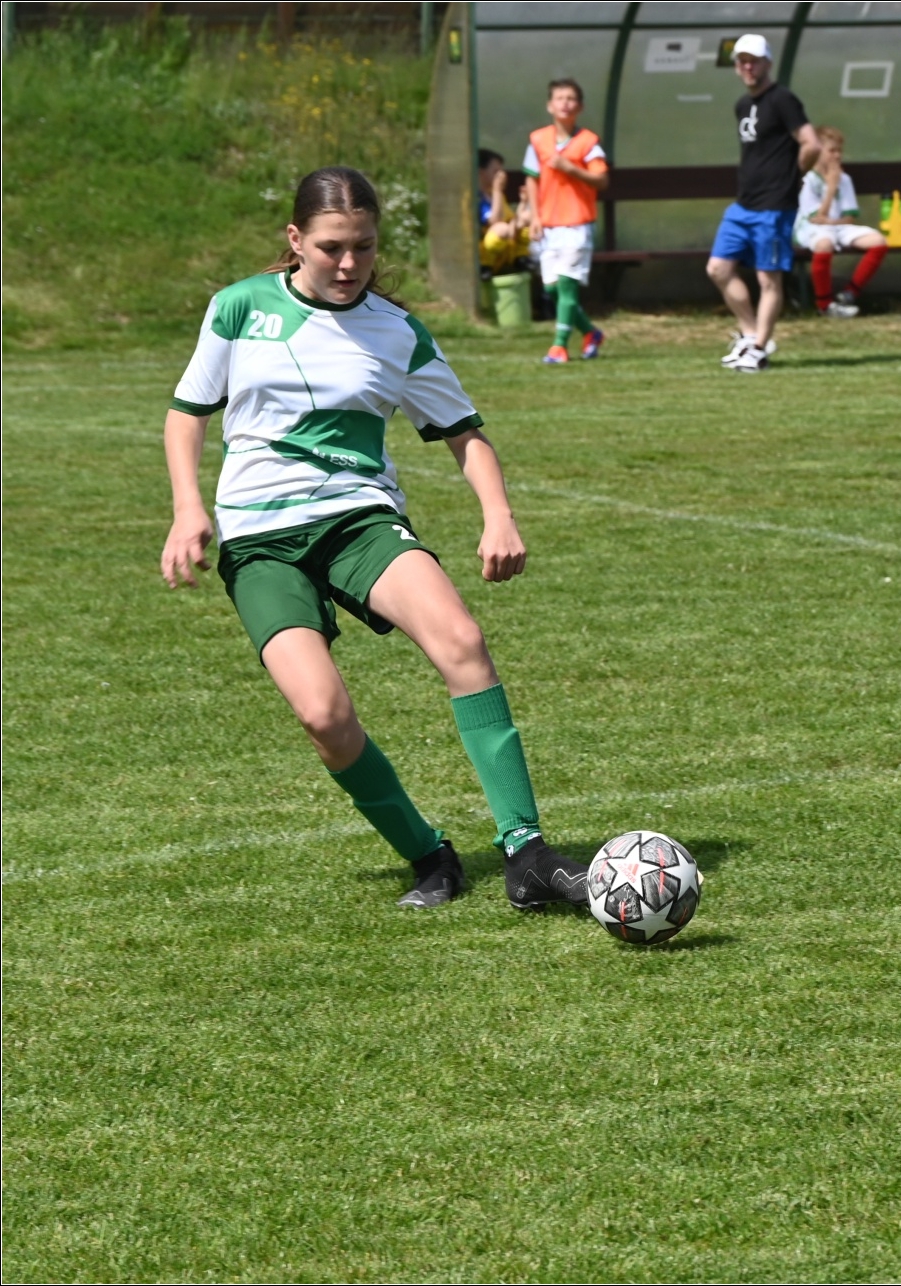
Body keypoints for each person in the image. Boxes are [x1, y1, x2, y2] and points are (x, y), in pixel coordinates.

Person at [159, 166, 594, 913]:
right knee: (323, 717)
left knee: (461, 639)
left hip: (357, 517)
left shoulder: (396, 331)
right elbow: (187, 413)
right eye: (332, 247)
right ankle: (429, 855)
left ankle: (526, 851)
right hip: (259, 539)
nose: (349, 263)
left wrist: (498, 514)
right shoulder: (238, 308)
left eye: (363, 246)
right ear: (296, 240)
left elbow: (464, 434)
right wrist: (187, 506)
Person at [708, 32, 820, 372]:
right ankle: (751, 335)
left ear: (767, 63)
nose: (747, 67)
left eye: (754, 61)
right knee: (718, 268)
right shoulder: (743, 105)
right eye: (742, 61)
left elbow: (811, 143)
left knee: (768, 278)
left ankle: (758, 350)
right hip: (744, 204)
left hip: (774, 206)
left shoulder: (783, 100)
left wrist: (793, 176)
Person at [523, 76, 609, 364]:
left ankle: (558, 347)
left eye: (571, 99)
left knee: (567, 285)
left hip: (577, 223)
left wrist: (570, 168)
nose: (565, 104)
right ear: (550, 105)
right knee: (552, 288)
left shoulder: (588, 142)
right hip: (549, 224)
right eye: (560, 98)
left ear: (580, 106)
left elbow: (601, 180)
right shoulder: (538, 140)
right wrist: (535, 216)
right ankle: (590, 332)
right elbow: (532, 179)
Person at [795, 126, 886, 319]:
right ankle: (824, 305)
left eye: (839, 151)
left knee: (878, 241)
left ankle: (849, 294)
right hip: (812, 228)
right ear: (818, 152)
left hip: (838, 226)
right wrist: (830, 188)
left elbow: (849, 217)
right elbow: (817, 218)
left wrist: (833, 220)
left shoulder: (844, 179)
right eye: (831, 151)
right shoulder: (809, 181)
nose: (837, 156)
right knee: (825, 243)